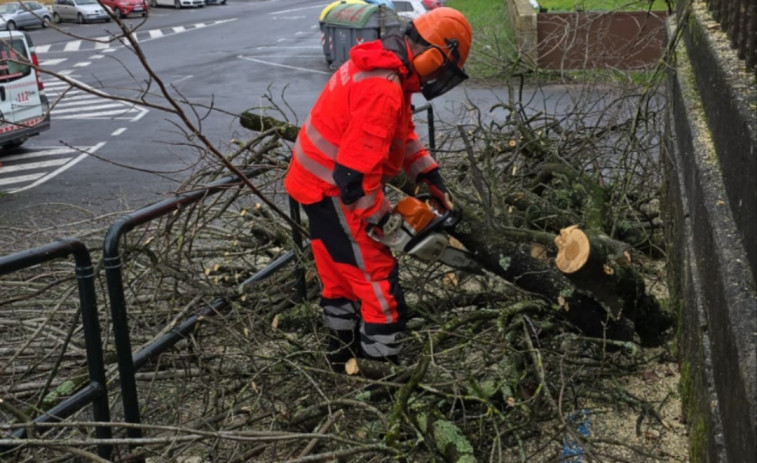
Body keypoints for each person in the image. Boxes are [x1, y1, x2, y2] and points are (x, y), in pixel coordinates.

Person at [284, 7, 472, 370]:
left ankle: (341, 357)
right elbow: (354, 180)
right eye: (444, 68)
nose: (440, 76)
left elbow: (403, 135)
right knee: (378, 283)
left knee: (339, 276)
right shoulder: (383, 88)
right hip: (333, 190)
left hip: (313, 184)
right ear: (433, 56)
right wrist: (385, 225)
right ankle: (381, 374)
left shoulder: (389, 70)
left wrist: (429, 175)